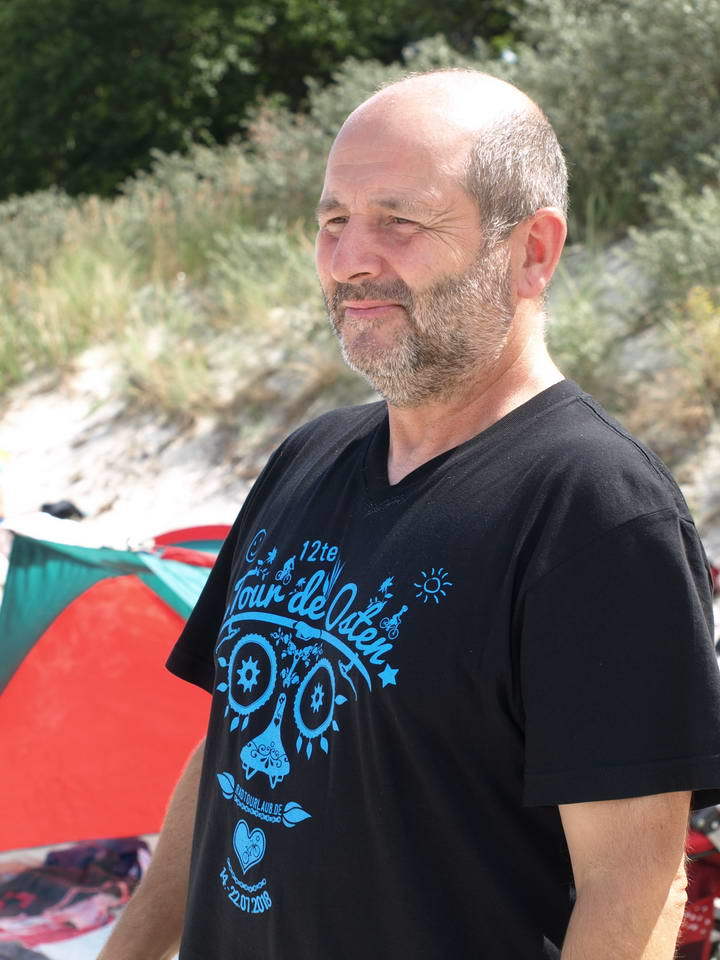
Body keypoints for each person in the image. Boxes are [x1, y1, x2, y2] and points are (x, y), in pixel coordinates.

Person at [98, 70, 720, 960]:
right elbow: (227, 751)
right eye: (333, 221)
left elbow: (636, 892)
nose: (349, 258)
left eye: (400, 221)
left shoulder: (595, 514)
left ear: (532, 251)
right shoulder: (306, 458)